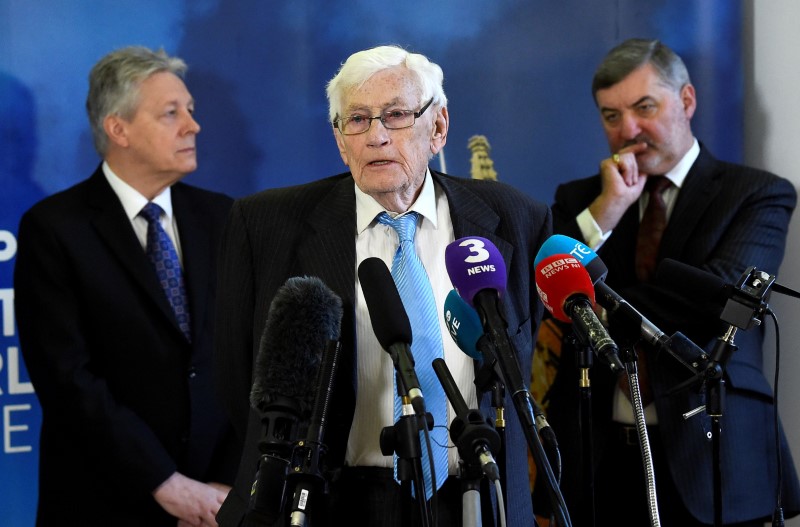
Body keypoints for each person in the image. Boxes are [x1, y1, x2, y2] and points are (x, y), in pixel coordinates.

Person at [214, 44, 551, 526]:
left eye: (395, 116)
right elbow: (238, 380)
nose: (375, 136)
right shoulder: (265, 225)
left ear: (438, 128)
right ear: (340, 140)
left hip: (480, 499)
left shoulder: (516, 218)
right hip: (329, 501)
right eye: (357, 119)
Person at [538, 38, 800, 526]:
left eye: (644, 107)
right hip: (598, 456)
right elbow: (547, 290)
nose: (628, 129)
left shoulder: (757, 193)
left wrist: (593, 301)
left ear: (686, 101)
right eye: (611, 116)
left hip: (716, 453)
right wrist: (607, 212)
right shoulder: (582, 199)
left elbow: (720, 297)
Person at [14, 46, 239, 527]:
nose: (192, 126)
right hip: (103, 503)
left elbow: (252, 356)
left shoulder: (222, 217)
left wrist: (225, 485)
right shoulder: (54, 230)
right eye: (171, 113)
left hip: (217, 507)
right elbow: (68, 381)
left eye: (191, 111)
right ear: (119, 129)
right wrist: (167, 485)